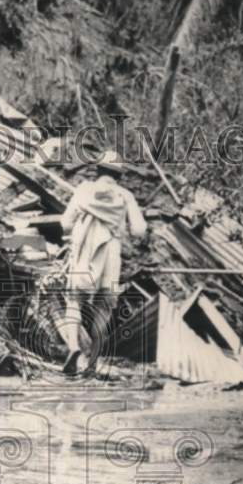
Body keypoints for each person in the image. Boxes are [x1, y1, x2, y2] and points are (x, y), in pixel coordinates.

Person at [60, 150, 147, 374]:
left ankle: (73, 348)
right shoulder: (125, 195)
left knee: (74, 301)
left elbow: (65, 223)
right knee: (104, 306)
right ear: (119, 175)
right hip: (110, 251)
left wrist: (83, 220)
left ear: (97, 170)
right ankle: (93, 362)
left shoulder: (84, 189)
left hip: (85, 250)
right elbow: (139, 230)